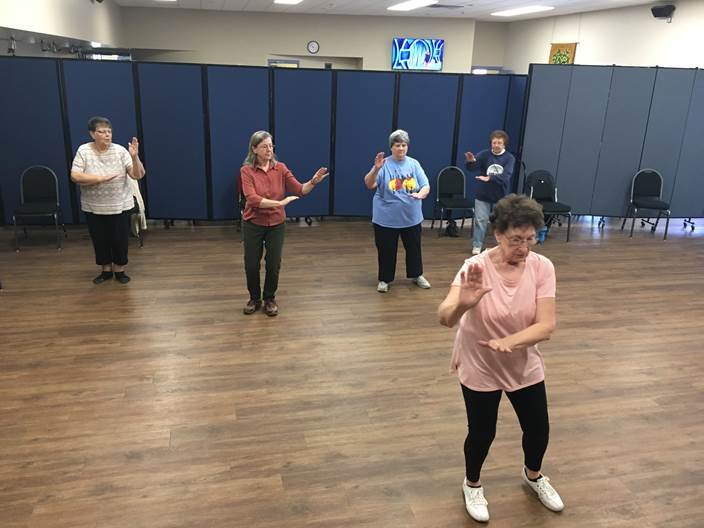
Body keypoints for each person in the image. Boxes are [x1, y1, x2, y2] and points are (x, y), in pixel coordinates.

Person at [437, 194, 564, 522]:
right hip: (479, 361)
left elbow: (546, 325)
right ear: (497, 234)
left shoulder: (542, 267)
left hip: (522, 361)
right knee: (482, 431)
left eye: (530, 239)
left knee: (538, 428)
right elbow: (445, 317)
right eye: (515, 240)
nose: (523, 247)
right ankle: (472, 483)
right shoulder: (474, 267)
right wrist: (465, 302)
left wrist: (510, 341)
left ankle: (534, 475)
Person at [239, 130, 328, 316]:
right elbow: (253, 199)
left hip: (276, 224)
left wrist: (313, 181)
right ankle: (254, 298)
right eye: (264, 146)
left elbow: (300, 189)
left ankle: (269, 298)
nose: (269, 150)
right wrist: (279, 203)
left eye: (271, 146)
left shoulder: (280, 168)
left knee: (273, 263)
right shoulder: (246, 171)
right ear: (254, 149)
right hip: (253, 223)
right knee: (251, 264)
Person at [70, 116, 145, 284]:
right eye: (102, 131)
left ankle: (120, 269)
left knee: (120, 239)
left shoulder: (120, 151)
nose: (107, 135)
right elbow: (75, 175)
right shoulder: (84, 150)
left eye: (109, 131)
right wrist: (99, 179)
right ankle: (105, 270)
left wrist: (134, 156)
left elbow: (137, 175)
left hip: (119, 204)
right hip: (93, 206)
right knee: (100, 239)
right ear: (92, 134)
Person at [364, 129, 431, 293]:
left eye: (403, 145)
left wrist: (421, 194)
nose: (401, 148)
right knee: (386, 249)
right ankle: (384, 280)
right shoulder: (383, 164)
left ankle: (417, 275)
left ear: (407, 146)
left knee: (414, 247)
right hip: (386, 218)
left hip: (411, 216)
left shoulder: (414, 164)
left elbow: (425, 186)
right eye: (397, 145)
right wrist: (375, 169)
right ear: (391, 147)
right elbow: (369, 184)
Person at [465, 130, 515, 256]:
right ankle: (477, 245)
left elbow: (505, 176)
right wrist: (470, 162)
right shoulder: (484, 154)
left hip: (501, 195)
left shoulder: (509, 158)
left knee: (501, 221)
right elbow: (472, 168)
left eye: (499, 143)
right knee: (480, 221)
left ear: (504, 145)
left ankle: (502, 245)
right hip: (483, 194)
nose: (496, 145)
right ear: (491, 143)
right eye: (494, 142)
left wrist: (490, 178)